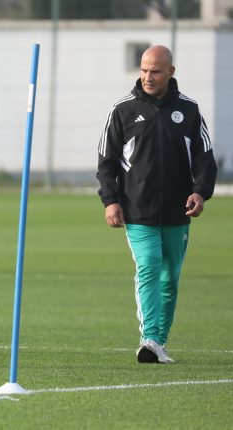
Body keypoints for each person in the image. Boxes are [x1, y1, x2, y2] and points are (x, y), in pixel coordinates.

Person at [97, 45, 217, 364]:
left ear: (171, 73)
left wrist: (200, 192)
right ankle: (148, 338)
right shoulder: (121, 110)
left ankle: (158, 343)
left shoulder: (189, 111)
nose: (148, 77)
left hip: (178, 211)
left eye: (156, 71)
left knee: (170, 279)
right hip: (137, 211)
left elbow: (205, 159)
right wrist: (111, 201)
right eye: (144, 70)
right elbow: (105, 161)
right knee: (148, 266)